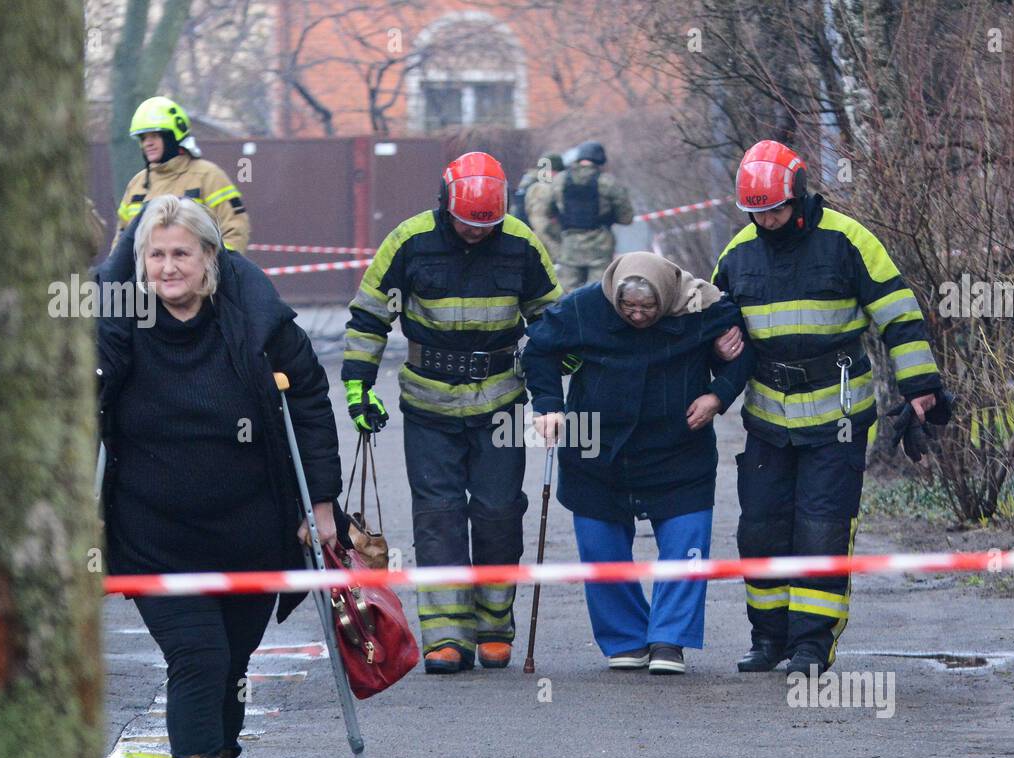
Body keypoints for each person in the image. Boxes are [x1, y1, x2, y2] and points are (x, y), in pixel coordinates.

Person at [96, 195, 349, 758]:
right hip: (154, 534)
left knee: (234, 663)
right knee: (199, 659)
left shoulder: (255, 322)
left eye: (182, 253)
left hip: (250, 531)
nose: (169, 266)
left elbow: (313, 403)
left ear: (210, 257)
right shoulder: (121, 327)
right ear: (140, 262)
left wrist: (321, 506)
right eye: (156, 254)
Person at [710, 140, 951, 677]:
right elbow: (710, 321)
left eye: (775, 209)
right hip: (768, 415)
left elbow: (899, 315)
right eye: (756, 213)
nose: (767, 221)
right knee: (761, 530)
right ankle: (768, 639)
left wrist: (920, 388)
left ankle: (812, 646)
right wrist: (715, 350)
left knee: (821, 529)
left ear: (797, 195)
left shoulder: (848, 240)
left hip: (837, 414)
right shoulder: (738, 252)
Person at [341, 152, 561, 674]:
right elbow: (370, 316)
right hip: (428, 402)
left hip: (501, 400)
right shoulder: (409, 241)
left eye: (486, 224)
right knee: (438, 517)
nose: (475, 233)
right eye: (466, 223)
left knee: (499, 513)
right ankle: (446, 635)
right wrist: (358, 386)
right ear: (446, 207)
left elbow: (550, 318)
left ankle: (492, 626)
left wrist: (563, 361)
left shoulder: (521, 244)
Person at [521, 252, 751, 674]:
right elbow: (539, 350)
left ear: (666, 298)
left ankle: (669, 639)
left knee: (686, 542)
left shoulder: (702, 306)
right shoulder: (587, 305)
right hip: (597, 447)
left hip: (677, 446)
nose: (638, 315)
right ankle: (625, 638)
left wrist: (718, 394)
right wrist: (549, 405)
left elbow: (744, 351)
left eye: (648, 308)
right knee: (600, 545)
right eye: (629, 308)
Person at [114, 96, 250, 254]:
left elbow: (235, 230)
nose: (147, 143)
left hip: (195, 277)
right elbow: (121, 238)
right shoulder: (137, 184)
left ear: (173, 136)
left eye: (154, 136)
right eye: (143, 138)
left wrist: (216, 272)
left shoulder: (208, 176)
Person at [550, 141, 634, 292]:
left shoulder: (558, 181)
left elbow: (548, 213)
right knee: (599, 293)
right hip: (600, 247)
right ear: (600, 159)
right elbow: (626, 218)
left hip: (569, 246)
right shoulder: (608, 182)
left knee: (566, 296)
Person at [519, 153, 564, 264]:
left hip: (532, 237)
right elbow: (542, 223)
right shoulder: (544, 188)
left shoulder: (531, 184)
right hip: (548, 240)